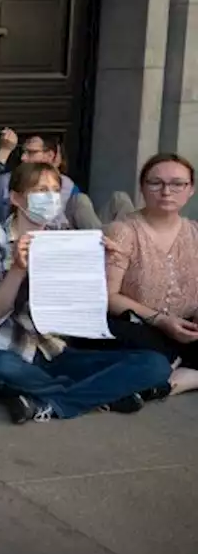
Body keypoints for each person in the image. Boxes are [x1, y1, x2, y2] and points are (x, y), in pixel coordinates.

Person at [0, 162, 172, 424]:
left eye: (54, 190)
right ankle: (101, 394)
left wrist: (98, 264)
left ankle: (49, 401)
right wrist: (17, 269)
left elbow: (80, 308)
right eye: (40, 190)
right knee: (2, 369)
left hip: (54, 350)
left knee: (155, 365)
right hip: (2, 347)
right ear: (16, 198)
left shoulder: (66, 238)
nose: (50, 198)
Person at [105, 153, 198, 396]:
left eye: (178, 184)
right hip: (139, 324)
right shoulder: (123, 231)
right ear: (143, 188)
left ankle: (166, 383)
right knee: (143, 346)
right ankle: (172, 375)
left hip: (186, 325)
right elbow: (109, 296)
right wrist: (161, 320)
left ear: (191, 190)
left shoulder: (196, 234)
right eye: (156, 183)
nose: (167, 191)